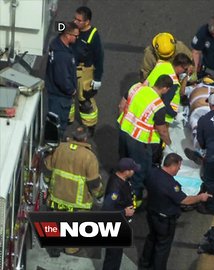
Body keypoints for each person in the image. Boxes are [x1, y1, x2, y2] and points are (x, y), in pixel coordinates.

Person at [139, 153, 211, 270]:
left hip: (152, 213)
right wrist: (200, 197)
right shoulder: (171, 185)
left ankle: (144, 263)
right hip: (164, 221)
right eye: (179, 166)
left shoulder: (152, 173)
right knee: (163, 247)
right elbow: (185, 200)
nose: (179, 168)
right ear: (173, 165)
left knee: (152, 238)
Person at [43, 126, 103, 255]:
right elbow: (93, 183)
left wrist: (48, 185)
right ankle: (71, 248)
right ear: (86, 138)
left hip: (57, 195)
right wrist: (98, 195)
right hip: (78, 201)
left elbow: (48, 169)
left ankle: (54, 247)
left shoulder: (59, 149)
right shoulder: (89, 157)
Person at [117, 74, 173, 206]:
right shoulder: (158, 105)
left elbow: (121, 106)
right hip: (139, 141)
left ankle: (119, 185)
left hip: (123, 130)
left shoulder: (136, 87)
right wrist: (170, 143)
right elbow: (162, 130)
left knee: (123, 162)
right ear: (165, 88)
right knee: (139, 171)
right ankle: (134, 199)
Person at [70, 6, 105, 136]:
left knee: (85, 99)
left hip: (84, 72)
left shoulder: (93, 36)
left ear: (87, 22)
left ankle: (89, 126)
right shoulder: (72, 28)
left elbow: (99, 58)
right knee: (68, 95)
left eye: (79, 20)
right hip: (71, 68)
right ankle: (68, 120)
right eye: (75, 18)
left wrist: (97, 78)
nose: (75, 21)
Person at [101, 158, 140, 270]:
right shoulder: (115, 188)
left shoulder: (120, 178)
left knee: (116, 255)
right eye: (132, 170)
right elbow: (107, 210)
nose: (134, 171)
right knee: (113, 256)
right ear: (126, 171)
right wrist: (124, 212)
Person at [45, 21, 79, 139]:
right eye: (75, 36)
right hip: (60, 99)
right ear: (68, 35)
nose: (77, 38)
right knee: (58, 127)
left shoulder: (56, 45)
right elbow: (62, 80)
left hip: (53, 95)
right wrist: (72, 91)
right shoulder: (63, 56)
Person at [144, 53, 193, 124]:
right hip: (161, 115)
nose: (185, 72)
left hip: (145, 98)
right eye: (185, 69)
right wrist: (175, 115)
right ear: (179, 66)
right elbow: (165, 103)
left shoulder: (162, 64)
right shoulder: (173, 82)